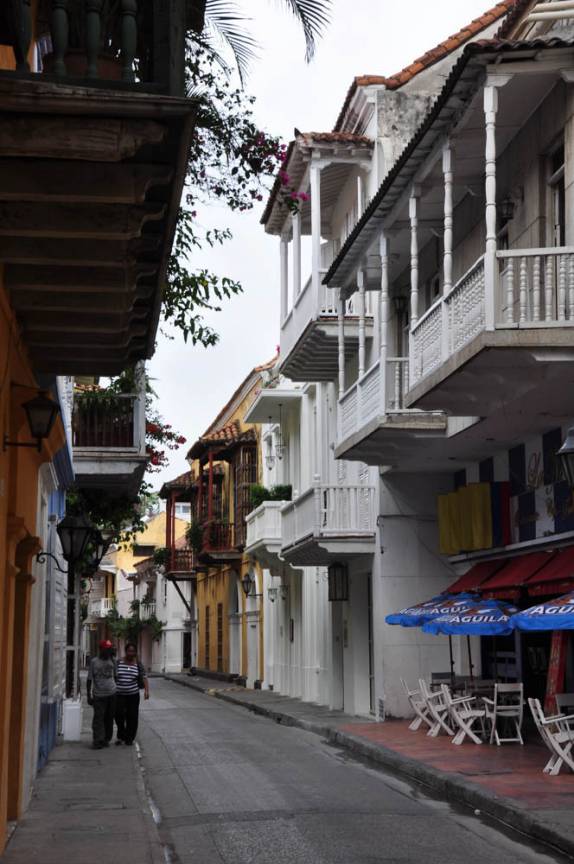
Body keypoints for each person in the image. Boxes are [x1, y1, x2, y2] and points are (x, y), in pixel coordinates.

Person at [114, 642, 149, 746]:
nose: (131, 653)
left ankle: (129, 738)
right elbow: (113, 676)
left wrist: (147, 691)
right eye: (129, 651)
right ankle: (121, 735)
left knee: (132, 716)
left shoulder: (138, 663)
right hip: (119, 694)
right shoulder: (119, 662)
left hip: (133, 695)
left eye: (133, 651)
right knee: (118, 716)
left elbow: (144, 677)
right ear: (126, 651)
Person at [87, 639, 117, 749]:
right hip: (99, 695)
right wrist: (89, 695)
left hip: (112, 693)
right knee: (98, 718)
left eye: (109, 649)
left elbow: (116, 676)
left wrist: (116, 690)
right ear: (101, 649)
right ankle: (97, 740)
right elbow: (89, 679)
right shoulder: (94, 662)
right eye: (106, 649)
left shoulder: (113, 660)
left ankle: (106, 739)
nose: (108, 651)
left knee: (109, 718)